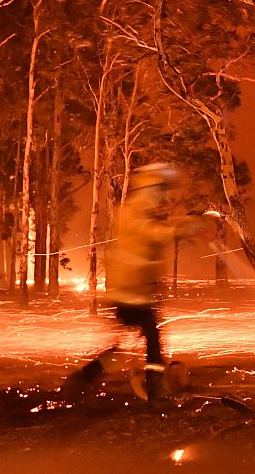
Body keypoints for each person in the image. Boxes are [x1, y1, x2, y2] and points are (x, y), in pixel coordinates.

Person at [65, 163, 204, 401]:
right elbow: (152, 233)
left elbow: (156, 233)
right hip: (130, 295)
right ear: (151, 189)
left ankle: (81, 380)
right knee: (152, 340)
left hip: (132, 294)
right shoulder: (134, 210)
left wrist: (181, 225)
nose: (163, 196)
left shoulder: (141, 210)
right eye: (160, 190)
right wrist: (183, 229)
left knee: (127, 345)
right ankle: (155, 388)